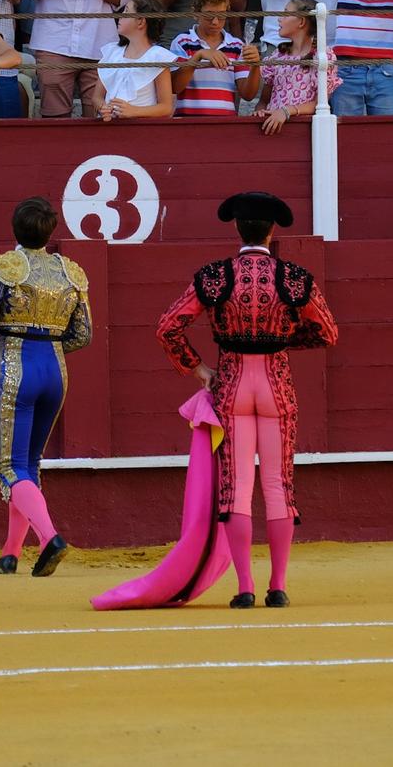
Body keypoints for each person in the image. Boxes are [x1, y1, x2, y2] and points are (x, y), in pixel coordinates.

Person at [156, 191, 338, 608]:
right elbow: (328, 332)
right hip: (276, 384)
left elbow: (167, 327)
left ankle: (245, 588)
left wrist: (199, 370)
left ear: (237, 228)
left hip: (232, 384)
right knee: (278, 486)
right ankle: (278, 587)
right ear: (272, 231)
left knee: (236, 489)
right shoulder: (293, 277)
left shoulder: (215, 276)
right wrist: (284, 339)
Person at [0, 195, 92, 576]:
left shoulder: (3, 267)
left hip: (16, 363)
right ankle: (11, 553)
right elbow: (82, 334)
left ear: (15, 228)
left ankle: (50, 537)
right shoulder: (72, 272)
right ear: (51, 231)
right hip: (55, 369)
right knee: (29, 464)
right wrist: (50, 345)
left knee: (9, 466)